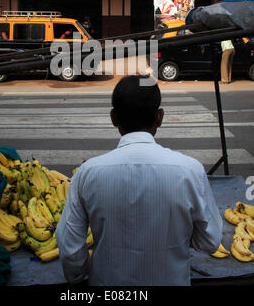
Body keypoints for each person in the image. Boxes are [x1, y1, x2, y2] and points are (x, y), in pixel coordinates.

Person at [55, 74, 223, 286]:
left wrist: (78, 276)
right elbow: (209, 242)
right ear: (160, 117)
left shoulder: (87, 173)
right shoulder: (190, 171)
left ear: (113, 118)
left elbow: (71, 251)